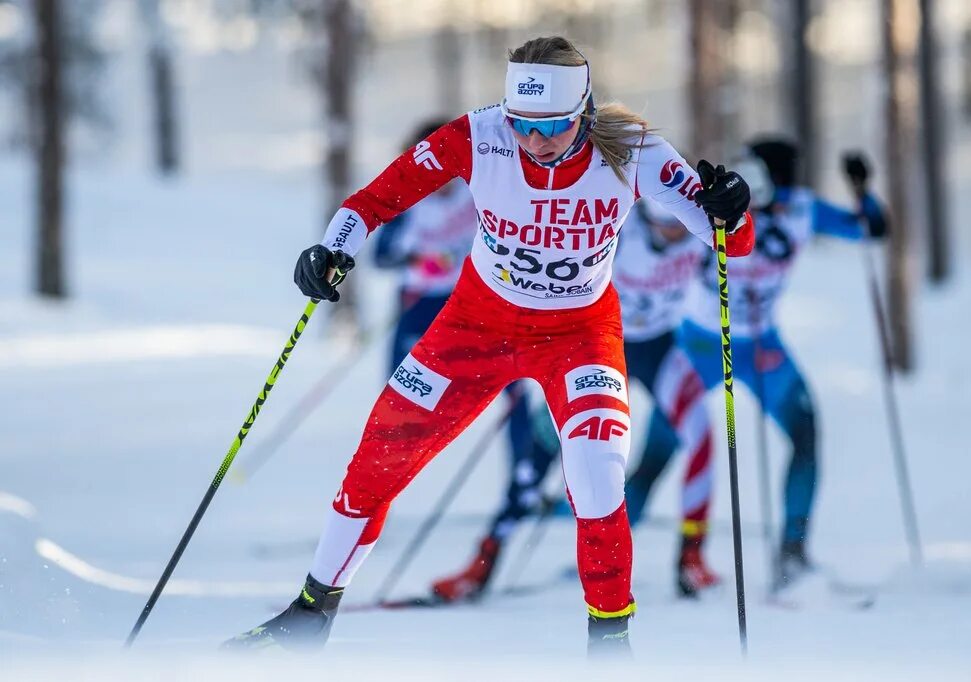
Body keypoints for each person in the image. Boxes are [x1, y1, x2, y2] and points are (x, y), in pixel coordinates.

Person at [225, 35, 754, 655]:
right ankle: (309, 614)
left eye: (553, 126)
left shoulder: (634, 153)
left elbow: (730, 242)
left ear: (583, 113)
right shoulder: (480, 136)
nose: (535, 142)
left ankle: (611, 646)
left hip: (580, 336)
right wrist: (332, 251)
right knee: (376, 463)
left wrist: (731, 210)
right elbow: (374, 201)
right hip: (476, 327)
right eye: (524, 125)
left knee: (597, 477)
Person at [428, 199, 721, 603]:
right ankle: (483, 563)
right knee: (543, 450)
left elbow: (743, 250)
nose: (672, 237)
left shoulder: (700, 236)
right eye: (663, 228)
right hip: (596, 346)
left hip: (658, 348)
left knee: (702, 436)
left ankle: (691, 557)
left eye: (678, 229)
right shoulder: (620, 226)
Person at [661, 138, 886, 590]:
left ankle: (792, 552)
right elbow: (663, 231)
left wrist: (862, 191)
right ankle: (644, 551)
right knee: (660, 447)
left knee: (805, 435)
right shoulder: (723, 197)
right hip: (703, 340)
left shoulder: (801, 208)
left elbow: (869, 229)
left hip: (762, 345)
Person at [373, 120, 551, 533]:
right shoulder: (409, 197)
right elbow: (382, 256)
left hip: (474, 305)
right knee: (402, 402)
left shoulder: (479, 188)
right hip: (419, 304)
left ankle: (523, 489)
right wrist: (419, 261)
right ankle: (375, 498)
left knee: (514, 392)